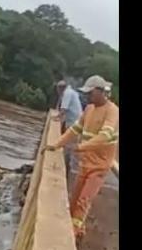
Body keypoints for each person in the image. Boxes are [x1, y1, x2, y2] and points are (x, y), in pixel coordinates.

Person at [44, 74, 119, 241]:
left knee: (83, 201)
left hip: (99, 167)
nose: (87, 96)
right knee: (75, 198)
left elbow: (104, 137)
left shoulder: (112, 112)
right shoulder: (89, 109)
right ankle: (77, 230)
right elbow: (75, 130)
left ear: (101, 92)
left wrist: (80, 147)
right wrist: (57, 144)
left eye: (90, 93)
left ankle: (72, 234)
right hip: (86, 164)